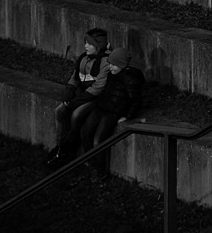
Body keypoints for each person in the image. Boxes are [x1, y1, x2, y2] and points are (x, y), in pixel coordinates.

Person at [47, 27, 112, 166]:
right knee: (59, 111)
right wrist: (68, 94)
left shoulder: (105, 61)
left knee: (76, 115)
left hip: (94, 99)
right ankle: (60, 147)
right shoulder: (83, 58)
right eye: (85, 42)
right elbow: (74, 78)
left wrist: (73, 102)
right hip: (81, 96)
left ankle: (69, 148)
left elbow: (97, 89)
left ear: (98, 45)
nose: (85, 46)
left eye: (89, 43)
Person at [78, 48, 147, 178]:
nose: (110, 67)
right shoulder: (112, 74)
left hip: (112, 112)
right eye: (109, 64)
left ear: (122, 64)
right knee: (85, 132)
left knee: (98, 141)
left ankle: (100, 173)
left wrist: (128, 116)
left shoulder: (130, 79)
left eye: (113, 64)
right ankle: (90, 163)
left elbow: (136, 100)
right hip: (101, 107)